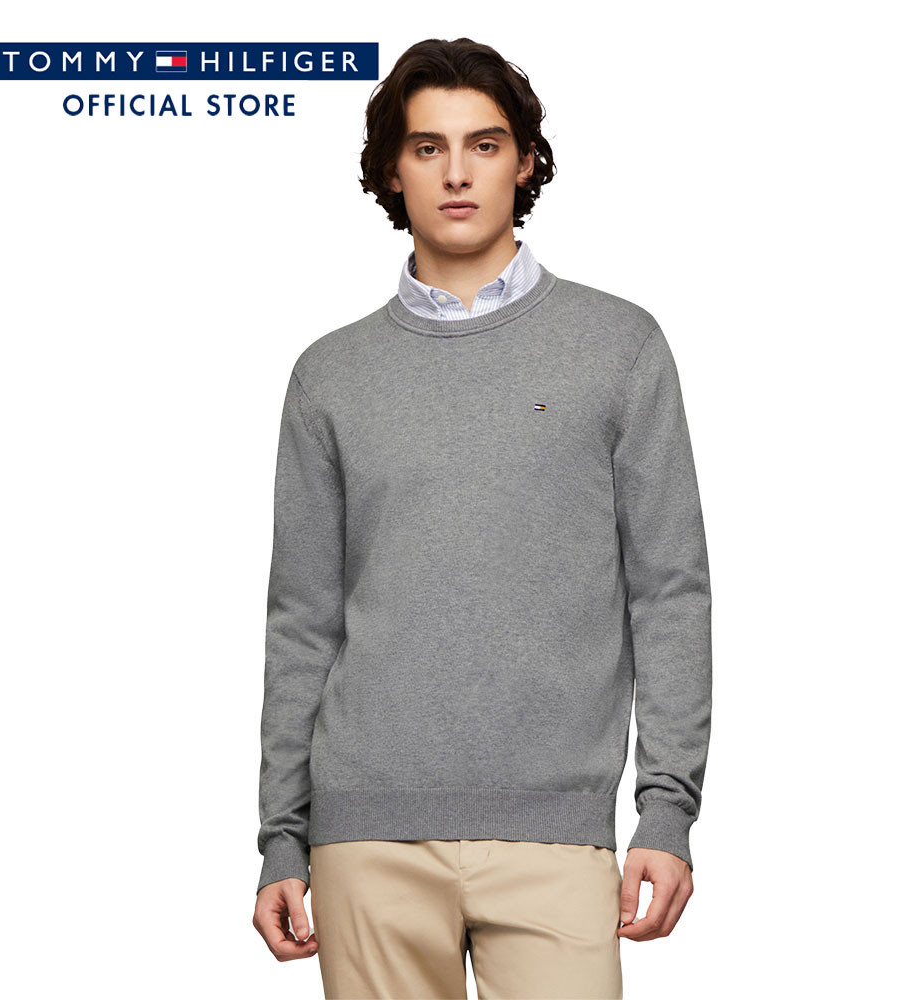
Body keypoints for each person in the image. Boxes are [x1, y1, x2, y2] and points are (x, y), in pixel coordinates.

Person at [252, 37, 713, 999]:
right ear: (392, 169)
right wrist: (281, 838)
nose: (457, 173)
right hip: (365, 837)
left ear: (525, 162)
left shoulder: (619, 347)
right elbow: (301, 620)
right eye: (428, 148)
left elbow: (669, 592)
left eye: (485, 144)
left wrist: (666, 811)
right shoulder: (329, 376)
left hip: (559, 833)